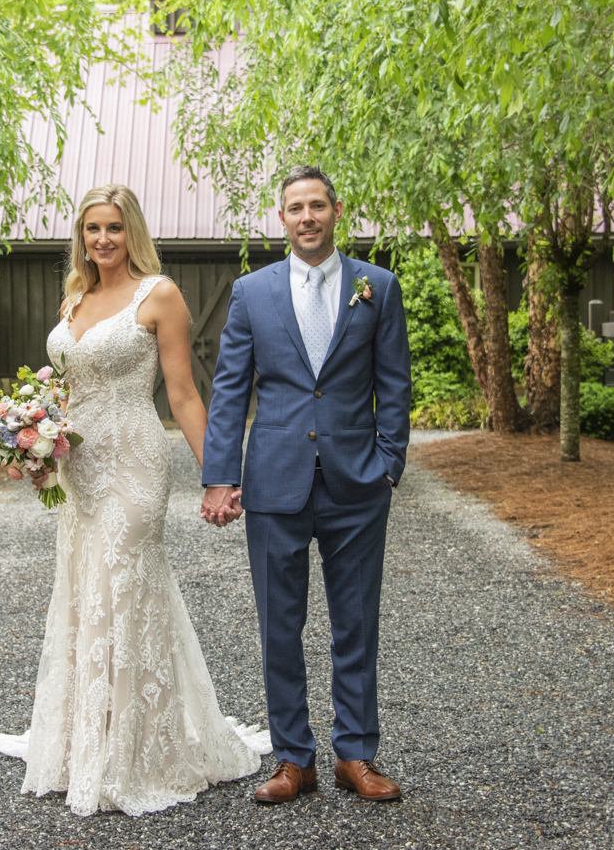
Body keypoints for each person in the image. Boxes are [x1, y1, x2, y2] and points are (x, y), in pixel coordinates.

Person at [0, 184, 269, 817]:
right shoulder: (74, 296)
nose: (103, 240)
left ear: (131, 230)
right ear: (81, 235)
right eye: (92, 229)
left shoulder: (159, 295)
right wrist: (34, 447)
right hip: (77, 468)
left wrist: (219, 475)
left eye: (114, 228)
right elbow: (60, 393)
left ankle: (142, 751)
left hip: (134, 463)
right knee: (86, 588)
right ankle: (91, 736)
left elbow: (185, 396)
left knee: (127, 583)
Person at [200, 166, 412, 805]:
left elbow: (395, 384)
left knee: (356, 623)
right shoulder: (251, 292)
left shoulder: (378, 286)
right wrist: (219, 477)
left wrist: (389, 463)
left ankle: (356, 754)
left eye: (318, 206)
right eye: (296, 208)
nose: (308, 217)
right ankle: (294, 758)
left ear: (336, 211)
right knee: (278, 625)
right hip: (275, 482)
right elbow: (231, 387)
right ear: (282, 216)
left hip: (357, 484)